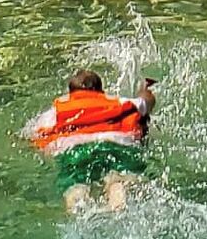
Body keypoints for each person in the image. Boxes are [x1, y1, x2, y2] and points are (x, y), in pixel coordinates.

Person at [24, 53, 154, 213]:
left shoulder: (55, 113)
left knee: (76, 187)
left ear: (70, 94)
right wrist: (145, 89)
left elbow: (37, 139)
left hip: (77, 152)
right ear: (101, 91)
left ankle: (78, 208)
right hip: (118, 147)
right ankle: (117, 203)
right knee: (118, 183)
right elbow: (146, 101)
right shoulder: (120, 102)